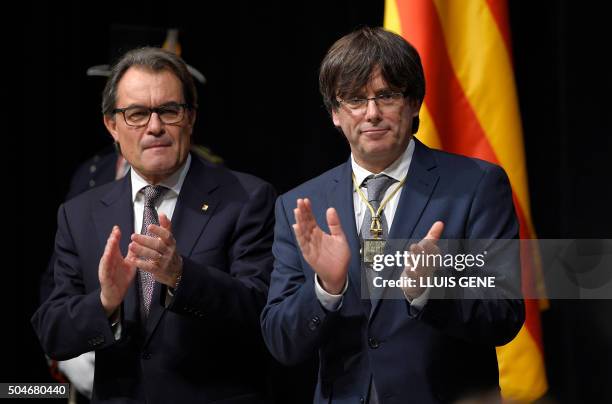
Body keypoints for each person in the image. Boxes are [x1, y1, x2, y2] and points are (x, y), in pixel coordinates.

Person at [261, 27, 525, 403]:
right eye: (354, 99)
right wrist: (325, 289)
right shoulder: (300, 204)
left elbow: (504, 314)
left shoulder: (476, 186)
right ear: (335, 113)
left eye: (386, 96)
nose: (372, 114)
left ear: (414, 103)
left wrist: (429, 291)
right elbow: (280, 341)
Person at [33, 47, 276, 403]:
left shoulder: (247, 198)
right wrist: (105, 302)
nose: (155, 126)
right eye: (136, 114)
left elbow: (264, 313)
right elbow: (52, 331)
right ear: (112, 125)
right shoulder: (78, 213)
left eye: (169, 110)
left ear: (190, 118)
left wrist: (181, 276)